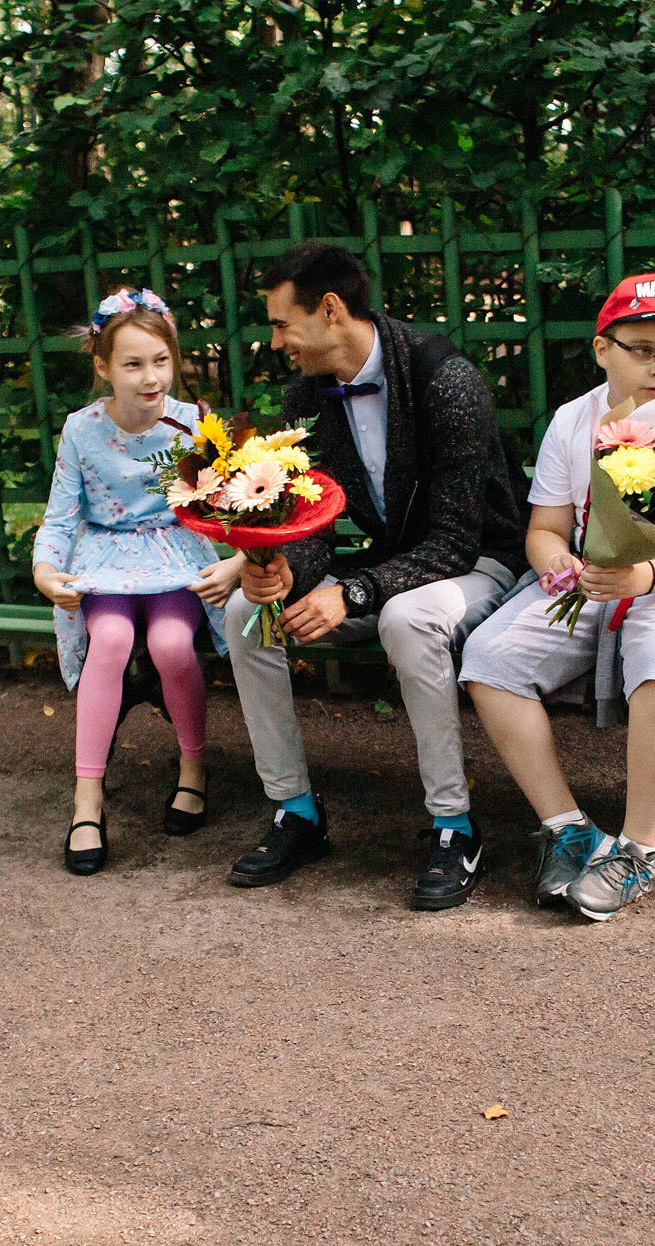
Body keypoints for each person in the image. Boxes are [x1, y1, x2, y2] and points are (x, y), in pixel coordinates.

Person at [222, 242, 528, 910]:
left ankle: (454, 827)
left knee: (407, 617)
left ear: (330, 310)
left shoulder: (445, 379)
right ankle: (296, 811)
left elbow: (453, 542)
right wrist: (281, 571)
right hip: (393, 565)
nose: (275, 342)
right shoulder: (305, 398)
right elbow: (316, 526)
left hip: (480, 561)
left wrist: (352, 592)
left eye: (281, 324)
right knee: (245, 616)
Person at [458, 273, 655, 921]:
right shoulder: (573, 419)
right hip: (596, 581)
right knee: (489, 659)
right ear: (602, 349)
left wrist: (645, 578)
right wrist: (556, 563)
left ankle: (636, 853)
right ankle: (568, 829)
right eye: (642, 350)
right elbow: (545, 529)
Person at [30, 288, 245, 875]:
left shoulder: (194, 424)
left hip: (176, 555)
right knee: (112, 640)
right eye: (132, 364)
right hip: (105, 561)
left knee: (172, 643)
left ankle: (193, 767)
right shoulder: (82, 429)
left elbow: (231, 505)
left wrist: (236, 562)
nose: (150, 378)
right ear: (103, 367)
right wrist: (45, 570)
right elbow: (60, 517)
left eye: (160, 361)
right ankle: (87, 799)